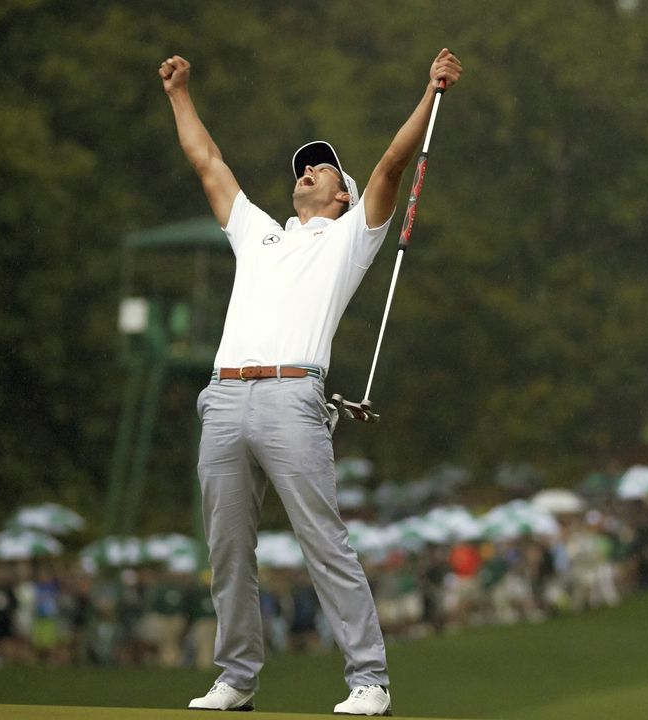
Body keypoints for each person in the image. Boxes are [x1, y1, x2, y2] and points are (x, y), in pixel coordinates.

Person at [159, 48, 462, 715]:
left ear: (342, 194)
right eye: (303, 167)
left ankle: (369, 679)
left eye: (321, 167)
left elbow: (392, 165)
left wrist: (427, 89)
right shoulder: (259, 234)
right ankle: (236, 676)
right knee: (228, 549)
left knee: (323, 539)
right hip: (225, 397)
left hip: (293, 396)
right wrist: (181, 95)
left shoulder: (353, 235)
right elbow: (207, 162)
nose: (309, 171)